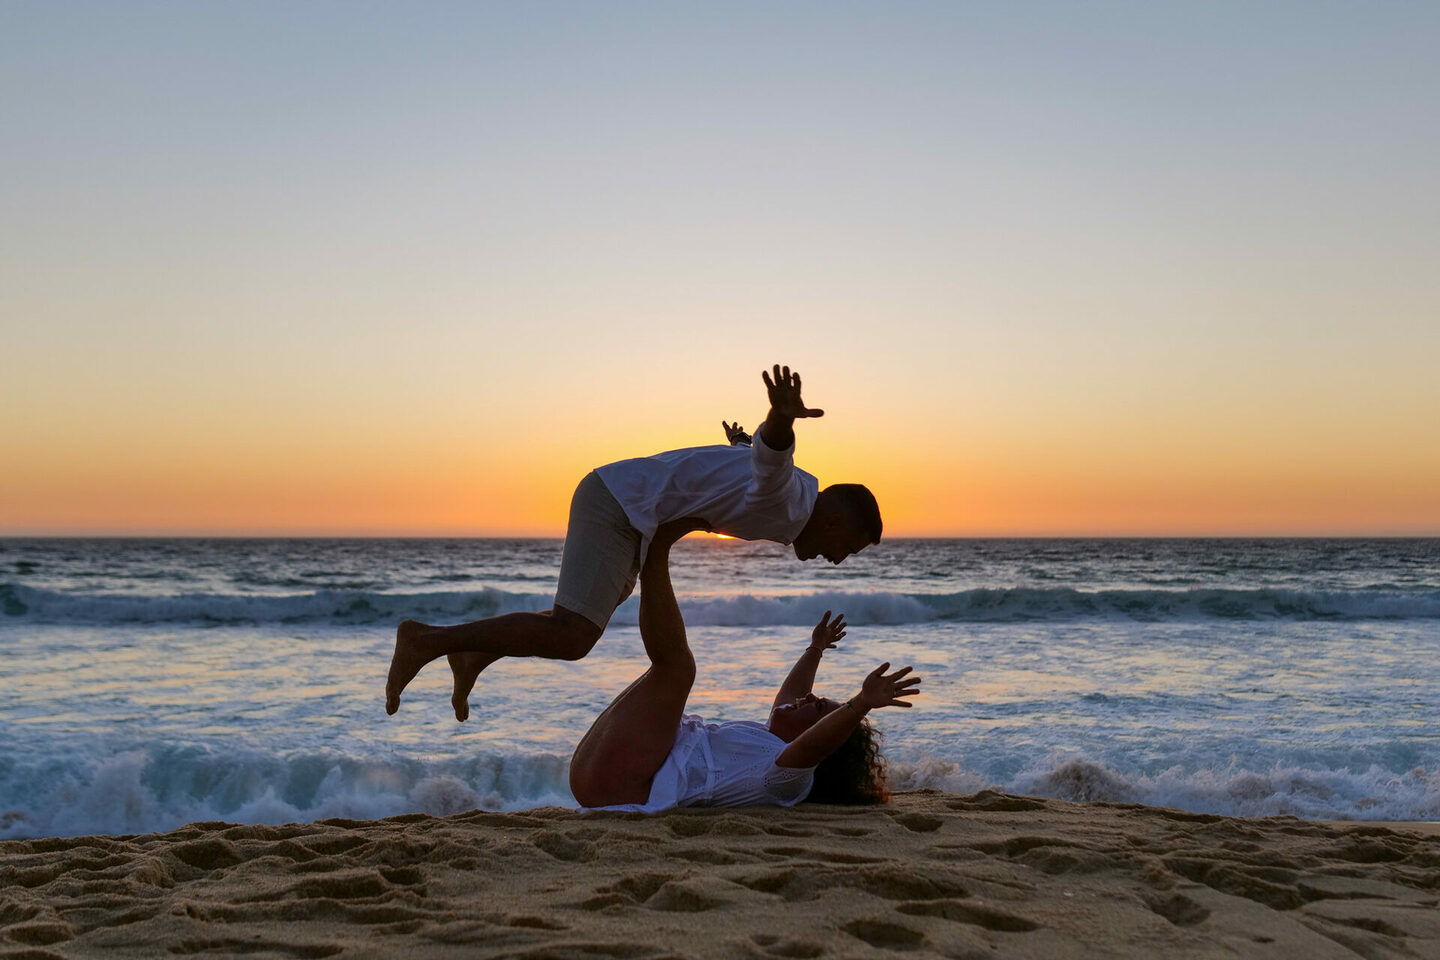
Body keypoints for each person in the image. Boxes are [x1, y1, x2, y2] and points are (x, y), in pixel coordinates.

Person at [386, 365, 883, 721]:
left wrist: (737, 445)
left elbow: (756, 466)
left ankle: (474, 653)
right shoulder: (794, 501)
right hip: (622, 505)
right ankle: (426, 640)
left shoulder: (793, 496)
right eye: (848, 549)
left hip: (631, 508)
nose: (837, 560)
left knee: (579, 622)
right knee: (573, 635)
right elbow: (772, 458)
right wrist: (779, 419)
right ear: (836, 521)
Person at [569, 518, 920, 811]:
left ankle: (655, 548)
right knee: (668, 672)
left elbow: (813, 746)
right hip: (609, 771)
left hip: (616, 784)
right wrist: (815, 649)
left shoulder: (782, 778)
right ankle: (650, 551)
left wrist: (859, 705)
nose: (808, 699)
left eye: (815, 710)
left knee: (678, 669)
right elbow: (792, 694)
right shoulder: (767, 736)